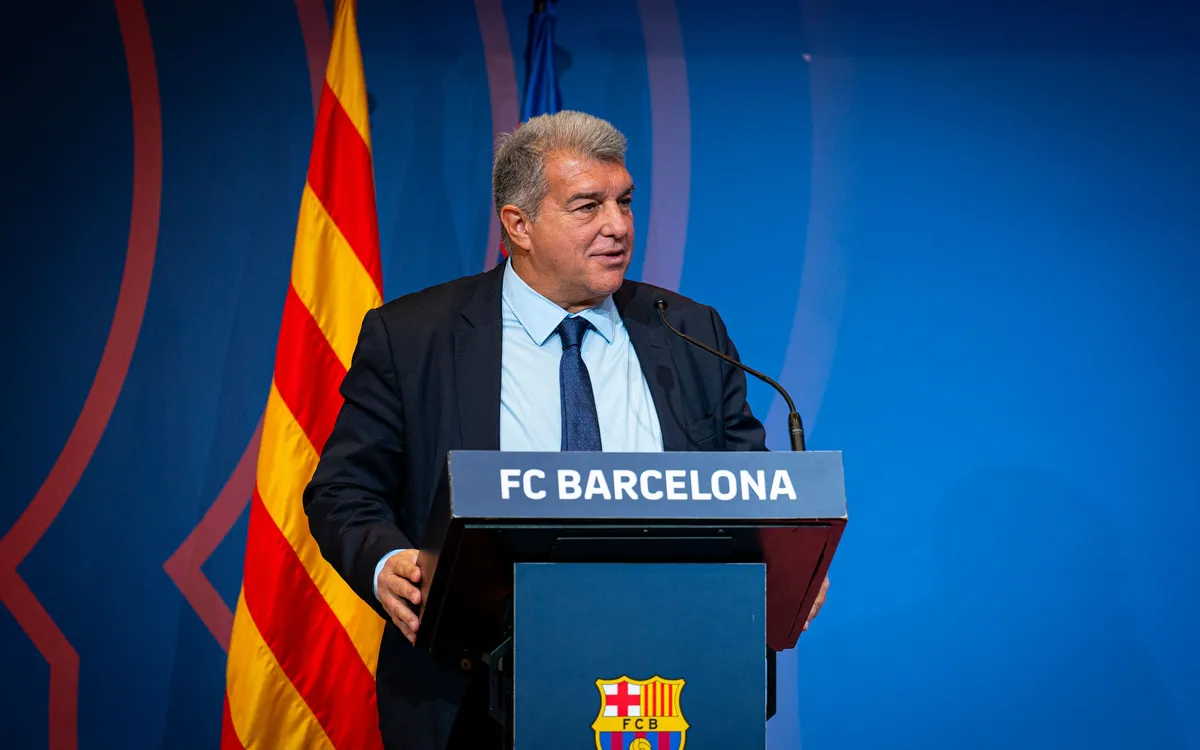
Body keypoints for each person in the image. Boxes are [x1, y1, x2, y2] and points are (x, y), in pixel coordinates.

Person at [303, 110, 829, 750]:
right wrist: (387, 562)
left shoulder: (688, 330)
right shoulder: (414, 336)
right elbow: (343, 491)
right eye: (587, 206)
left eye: (624, 201)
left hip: (671, 680)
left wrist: (788, 561)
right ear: (518, 225)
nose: (619, 225)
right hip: (474, 691)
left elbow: (748, 489)